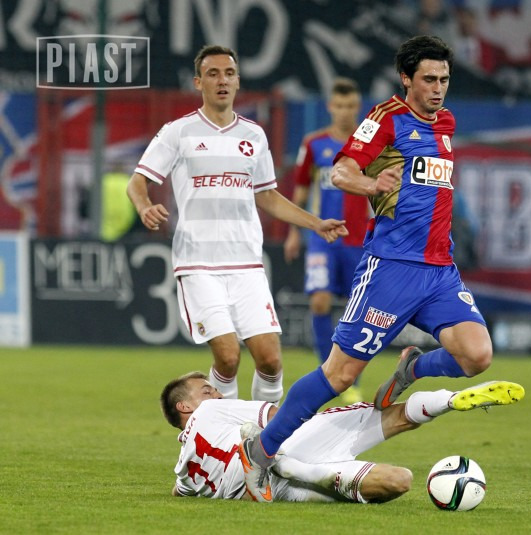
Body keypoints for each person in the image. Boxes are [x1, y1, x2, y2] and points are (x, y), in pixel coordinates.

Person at [240, 36, 495, 499]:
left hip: (440, 271)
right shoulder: (385, 119)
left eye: (444, 79)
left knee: (476, 355)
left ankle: (413, 367)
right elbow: (341, 172)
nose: (438, 88)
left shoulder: (446, 122)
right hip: (390, 269)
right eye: (429, 79)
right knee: (339, 374)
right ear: (406, 78)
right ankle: (260, 451)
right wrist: (371, 184)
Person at [127, 45, 348, 403]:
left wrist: (316, 223)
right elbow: (137, 182)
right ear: (198, 82)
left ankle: (263, 432)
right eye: (213, 74)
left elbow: (267, 196)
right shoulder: (178, 132)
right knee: (228, 358)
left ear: (238, 81)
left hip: (246, 262)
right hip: (198, 263)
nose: (222, 81)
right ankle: (227, 430)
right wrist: (144, 206)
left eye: (229, 73)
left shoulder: (253, 135)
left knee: (271, 360)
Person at [161, 371, 525, 502]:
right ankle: (449, 399)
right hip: (283, 447)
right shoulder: (211, 411)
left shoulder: (184, 469)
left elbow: (180, 491)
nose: (217, 394)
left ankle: (294, 470)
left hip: (275, 493)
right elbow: (279, 417)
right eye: (207, 390)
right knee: (391, 416)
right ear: (185, 407)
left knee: (400, 481)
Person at [283, 78, 370, 404]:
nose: (345, 111)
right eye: (340, 105)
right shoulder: (315, 144)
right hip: (322, 238)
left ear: (358, 107)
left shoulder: (372, 145)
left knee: (356, 310)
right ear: (331, 106)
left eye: (351, 106)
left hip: (360, 239)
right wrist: (295, 232)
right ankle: (328, 372)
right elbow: (302, 189)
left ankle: (352, 379)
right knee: (319, 301)